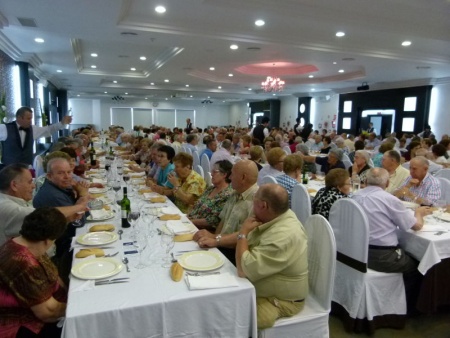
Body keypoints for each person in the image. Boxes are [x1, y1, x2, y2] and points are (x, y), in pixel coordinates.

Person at [352, 168, 432, 312]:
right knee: (420, 266)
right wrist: (418, 213)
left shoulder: (354, 197)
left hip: (356, 251)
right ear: (387, 183)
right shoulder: (389, 200)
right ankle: (405, 308)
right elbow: (416, 226)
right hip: (380, 257)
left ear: (365, 181)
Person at [236, 184, 308, 329]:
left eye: (254, 202)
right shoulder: (278, 217)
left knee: (233, 317)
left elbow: (243, 269)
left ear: (263, 205)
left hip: (281, 301)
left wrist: (242, 233)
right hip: (260, 286)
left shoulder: (283, 235)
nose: (252, 207)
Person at [0, 208, 69, 338]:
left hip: (51, 307)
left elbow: (54, 277)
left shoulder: (21, 243)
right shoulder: (23, 263)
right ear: (48, 240)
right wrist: (78, 308)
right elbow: (48, 312)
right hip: (25, 325)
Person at [0, 163, 87, 246]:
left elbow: (43, 227)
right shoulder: (5, 206)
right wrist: (79, 206)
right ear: (14, 185)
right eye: (30, 182)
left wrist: (68, 219)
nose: (33, 186)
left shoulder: (18, 201)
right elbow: (42, 216)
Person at [33, 158, 90, 281]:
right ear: (49, 175)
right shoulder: (53, 195)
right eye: (60, 173)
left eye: (69, 172)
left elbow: (79, 211)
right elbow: (79, 222)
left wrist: (78, 192)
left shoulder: (57, 187)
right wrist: (82, 194)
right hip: (61, 247)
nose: (67, 176)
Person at [193, 160, 259, 264]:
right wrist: (214, 241)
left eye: (232, 174)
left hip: (236, 255)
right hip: (222, 247)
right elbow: (223, 221)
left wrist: (215, 239)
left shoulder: (257, 201)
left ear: (243, 177)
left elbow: (247, 235)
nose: (230, 177)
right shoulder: (235, 193)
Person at [0, 107, 72, 169]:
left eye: (31, 118)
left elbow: (48, 130)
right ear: (19, 117)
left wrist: (62, 123)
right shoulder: (5, 128)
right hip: (8, 170)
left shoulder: (33, 129)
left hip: (26, 169)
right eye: (28, 118)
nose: (31, 121)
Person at [188, 160, 234, 230]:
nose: (211, 174)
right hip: (192, 223)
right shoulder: (211, 188)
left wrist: (190, 221)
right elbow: (196, 205)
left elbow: (213, 220)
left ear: (224, 174)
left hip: (204, 231)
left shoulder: (227, 195)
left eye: (215, 172)